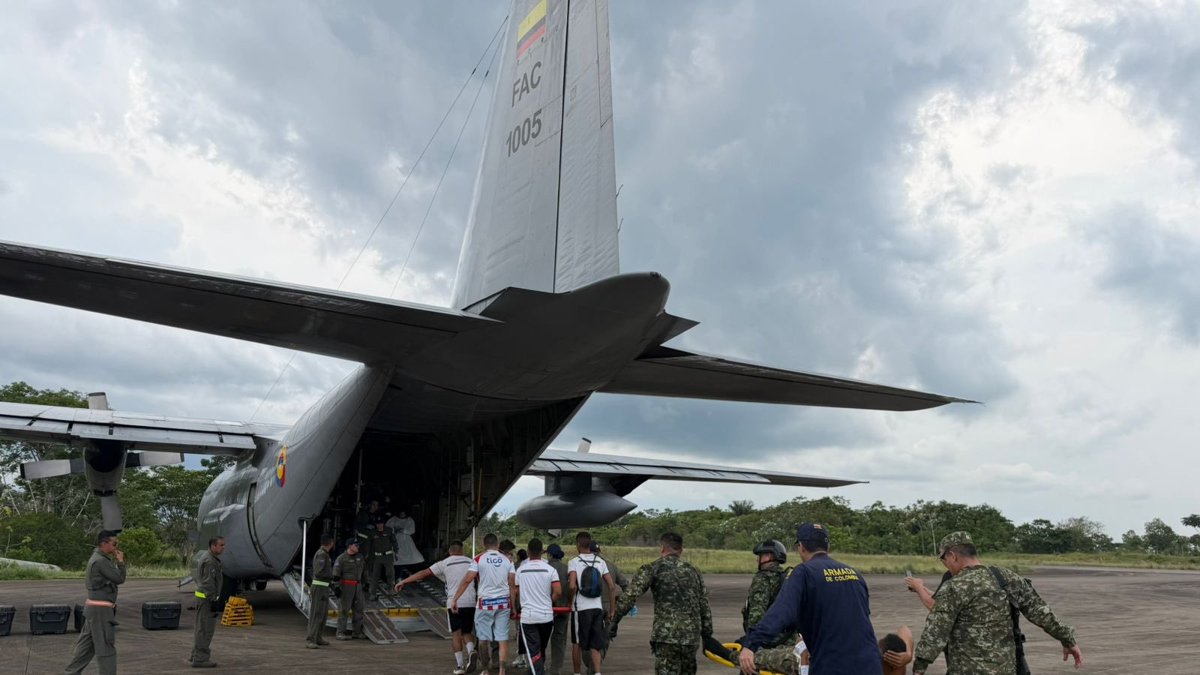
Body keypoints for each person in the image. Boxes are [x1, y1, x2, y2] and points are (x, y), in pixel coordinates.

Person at [912, 532, 1084, 675]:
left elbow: (935, 632)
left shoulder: (954, 586)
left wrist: (918, 669)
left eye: (944, 559)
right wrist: (1068, 640)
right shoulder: (1007, 578)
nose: (946, 565)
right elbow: (1041, 612)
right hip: (1006, 669)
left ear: (952, 555)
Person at [738, 523, 880, 675]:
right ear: (828, 546)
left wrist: (751, 645)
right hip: (870, 663)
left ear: (801, 547)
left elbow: (780, 614)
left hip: (833, 665)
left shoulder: (804, 572)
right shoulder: (855, 574)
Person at [611, 532, 713, 675]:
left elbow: (630, 596)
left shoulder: (652, 568)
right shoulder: (693, 571)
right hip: (690, 637)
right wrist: (707, 635)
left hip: (666, 636)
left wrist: (614, 621)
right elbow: (704, 604)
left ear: (662, 548)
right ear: (681, 550)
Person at [397, 541, 479, 675]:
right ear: (462, 551)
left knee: (456, 633)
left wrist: (404, 581)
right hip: (470, 602)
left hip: (454, 602)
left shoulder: (444, 563)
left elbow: (423, 573)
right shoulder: (472, 562)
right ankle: (471, 651)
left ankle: (459, 666)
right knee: (467, 631)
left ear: (450, 552)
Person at [64, 530, 126, 675]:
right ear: (104, 543)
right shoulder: (101, 561)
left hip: (93, 609)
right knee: (106, 647)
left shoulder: (98, 558)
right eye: (114, 543)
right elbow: (119, 578)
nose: (116, 547)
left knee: (86, 647)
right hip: (101, 611)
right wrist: (121, 562)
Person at [453, 533, 516, 675]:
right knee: (502, 638)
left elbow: (468, 580)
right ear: (498, 544)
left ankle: (485, 669)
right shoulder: (507, 561)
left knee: (483, 639)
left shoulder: (478, 559)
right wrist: (513, 607)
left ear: (484, 544)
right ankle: (502, 670)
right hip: (503, 604)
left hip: (485, 604)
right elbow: (512, 585)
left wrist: (455, 599)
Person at [740, 539, 800, 675]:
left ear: (769, 556)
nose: (757, 560)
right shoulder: (788, 578)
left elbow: (756, 615)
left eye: (760, 556)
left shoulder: (762, 579)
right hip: (789, 644)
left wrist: (750, 644)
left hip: (765, 646)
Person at [567, 532, 616, 675]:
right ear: (590, 544)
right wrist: (612, 609)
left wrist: (571, 601)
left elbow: (571, 586)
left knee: (577, 643)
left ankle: (577, 673)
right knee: (596, 643)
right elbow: (612, 586)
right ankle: (597, 673)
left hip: (580, 608)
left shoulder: (574, 561)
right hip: (597, 608)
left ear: (577, 544)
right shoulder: (600, 562)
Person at [514, 539, 561, 675]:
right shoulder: (551, 570)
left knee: (534, 651)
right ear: (542, 552)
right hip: (546, 616)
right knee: (541, 649)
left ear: (528, 552)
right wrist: (548, 601)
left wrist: (515, 607)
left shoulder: (521, 571)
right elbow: (558, 592)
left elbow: (516, 592)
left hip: (528, 617)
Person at [189, 536, 225, 668]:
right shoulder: (210, 561)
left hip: (203, 598)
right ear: (213, 546)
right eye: (221, 545)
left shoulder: (208, 557)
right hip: (207, 599)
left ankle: (195, 654)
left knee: (201, 627)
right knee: (205, 629)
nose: (223, 547)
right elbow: (208, 583)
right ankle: (200, 658)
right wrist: (214, 599)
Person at [333, 538, 368, 640]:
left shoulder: (360, 557)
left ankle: (357, 632)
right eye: (356, 545)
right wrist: (336, 587)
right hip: (346, 586)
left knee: (359, 609)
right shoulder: (341, 558)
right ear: (350, 546)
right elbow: (336, 574)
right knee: (344, 610)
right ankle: (340, 632)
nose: (358, 547)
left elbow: (364, 571)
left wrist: (366, 583)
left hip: (358, 586)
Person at [305, 534, 335, 649]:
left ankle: (318, 637)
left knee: (322, 614)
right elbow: (318, 572)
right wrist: (332, 576)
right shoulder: (321, 554)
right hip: (319, 587)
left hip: (324, 587)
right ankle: (310, 639)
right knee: (316, 614)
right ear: (331, 543)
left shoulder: (325, 554)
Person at [545, 543, 570, 675]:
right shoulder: (567, 569)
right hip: (563, 607)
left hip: (546, 608)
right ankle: (556, 667)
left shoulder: (545, 568)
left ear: (549, 555)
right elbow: (572, 587)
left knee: (541, 637)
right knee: (559, 637)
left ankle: (538, 664)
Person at [369, 520, 396, 598]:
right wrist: (370, 558)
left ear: (383, 524)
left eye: (381, 523)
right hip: (377, 556)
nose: (379, 525)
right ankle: (373, 593)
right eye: (378, 524)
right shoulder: (373, 532)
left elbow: (394, 541)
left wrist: (396, 550)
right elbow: (370, 545)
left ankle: (391, 589)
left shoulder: (389, 530)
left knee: (390, 573)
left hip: (388, 555)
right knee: (375, 575)